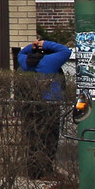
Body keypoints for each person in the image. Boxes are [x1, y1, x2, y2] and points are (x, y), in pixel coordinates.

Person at [17, 36, 72, 177]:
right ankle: (45, 169)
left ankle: (33, 170)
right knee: (49, 138)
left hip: (29, 106)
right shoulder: (48, 62)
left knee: (33, 138)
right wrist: (44, 43)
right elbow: (65, 51)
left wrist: (33, 46)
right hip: (49, 105)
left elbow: (21, 53)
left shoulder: (24, 62)